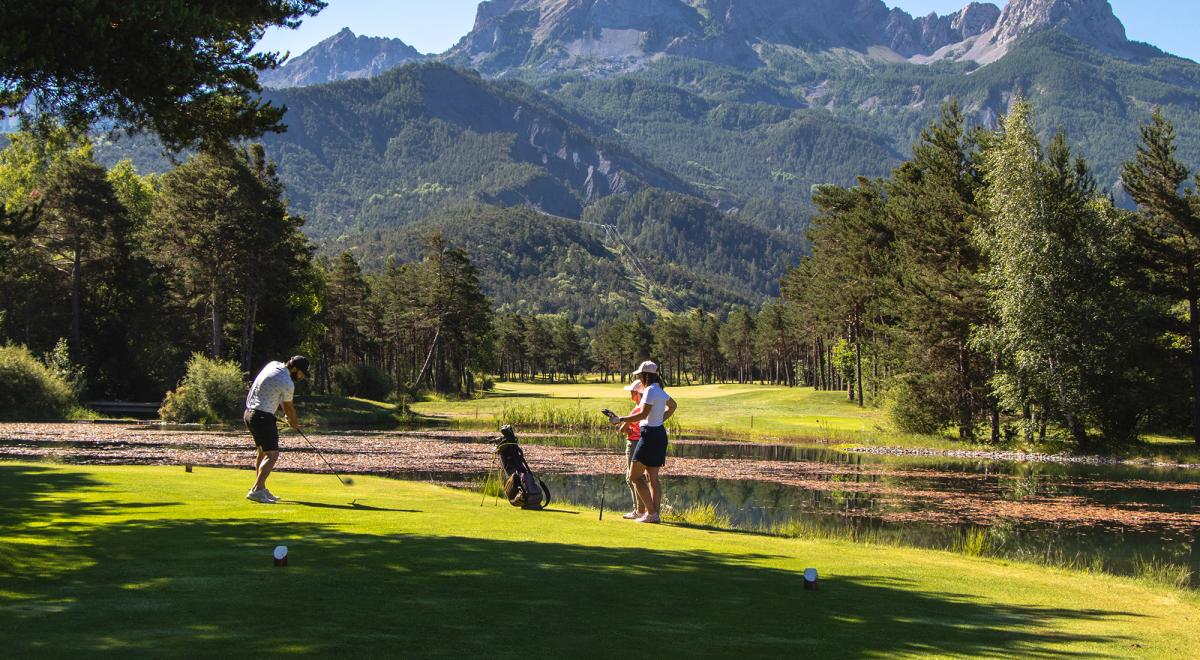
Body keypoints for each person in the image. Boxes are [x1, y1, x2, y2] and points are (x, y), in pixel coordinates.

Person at [613, 360, 676, 523]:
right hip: (659, 434)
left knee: (634, 476)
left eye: (640, 375)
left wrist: (620, 419)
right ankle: (654, 515)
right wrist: (660, 419)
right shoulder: (660, 390)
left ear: (645, 375)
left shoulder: (649, 391)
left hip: (649, 435)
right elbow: (673, 406)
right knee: (652, 477)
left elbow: (642, 415)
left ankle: (651, 513)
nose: (639, 377)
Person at [243, 355, 309, 503]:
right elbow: (288, 407)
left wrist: (288, 417)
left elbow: (276, 396)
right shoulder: (287, 382)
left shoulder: (273, 365)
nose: (302, 376)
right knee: (272, 455)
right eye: (302, 372)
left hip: (249, 414)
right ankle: (257, 491)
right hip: (262, 417)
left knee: (262, 452)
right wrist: (294, 422)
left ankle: (259, 487)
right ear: (294, 369)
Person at [618, 380, 649, 520]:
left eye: (632, 391)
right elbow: (629, 429)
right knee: (638, 478)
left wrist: (620, 422)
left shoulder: (638, 410)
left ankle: (639, 510)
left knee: (632, 478)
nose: (630, 393)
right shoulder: (643, 408)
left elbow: (622, 429)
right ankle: (641, 509)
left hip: (634, 444)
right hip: (640, 442)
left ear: (637, 393)